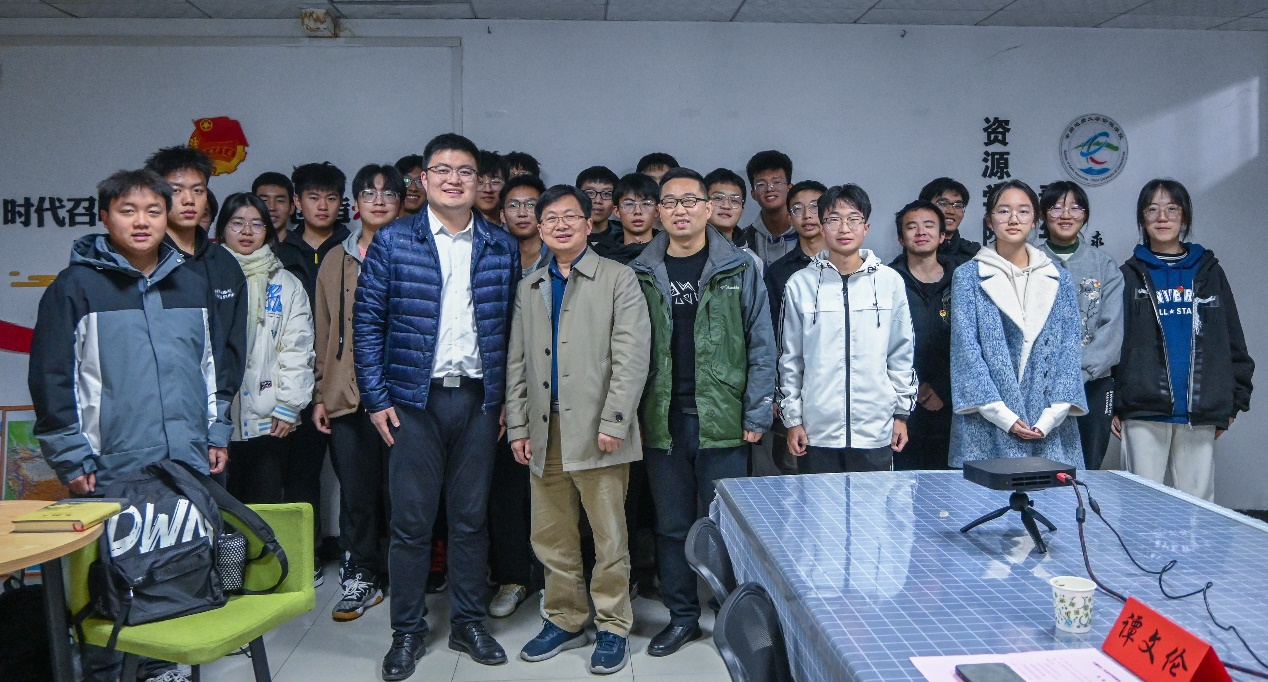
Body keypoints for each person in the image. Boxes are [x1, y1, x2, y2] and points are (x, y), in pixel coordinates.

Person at [29, 169, 232, 682]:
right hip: (108, 466)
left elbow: (210, 367)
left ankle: (165, 667)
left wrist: (215, 432)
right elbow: (52, 380)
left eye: (153, 211)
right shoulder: (74, 288)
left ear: (169, 218)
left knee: (176, 567)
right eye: (128, 211)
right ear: (104, 217)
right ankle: (106, 671)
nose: (142, 222)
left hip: (182, 461)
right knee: (107, 582)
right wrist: (71, 457)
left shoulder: (191, 282)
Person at [355, 133, 519, 678]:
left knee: (470, 519)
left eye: (465, 171)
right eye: (442, 170)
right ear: (423, 179)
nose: (454, 179)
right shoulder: (393, 241)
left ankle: (469, 623)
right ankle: (407, 631)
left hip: (477, 401)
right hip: (412, 402)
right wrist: (376, 398)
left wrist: (505, 399)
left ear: (479, 181)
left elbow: (512, 330)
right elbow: (367, 323)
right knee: (411, 523)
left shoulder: (499, 245)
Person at [630, 167, 775, 657]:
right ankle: (682, 617)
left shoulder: (740, 267)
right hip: (662, 418)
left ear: (709, 208)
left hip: (724, 418)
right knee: (671, 526)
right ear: (658, 211)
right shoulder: (641, 271)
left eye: (690, 201)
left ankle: (731, 614)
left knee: (726, 527)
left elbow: (762, 343)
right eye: (670, 202)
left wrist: (756, 415)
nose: (681, 210)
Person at [508, 184, 651, 675]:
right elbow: (517, 362)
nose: (561, 225)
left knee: (609, 536)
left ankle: (612, 625)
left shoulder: (617, 278)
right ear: (540, 228)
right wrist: (518, 426)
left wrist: (615, 420)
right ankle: (564, 618)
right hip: (543, 429)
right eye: (551, 219)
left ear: (590, 224)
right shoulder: (530, 285)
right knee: (551, 534)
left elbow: (632, 357)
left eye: (571, 216)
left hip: (598, 429)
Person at [1113, 179, 1254, 502]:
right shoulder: (1129, 275)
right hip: (1143, 410)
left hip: (1199, 411)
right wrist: (1115, 403)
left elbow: (1232, 337)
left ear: (1185, 217)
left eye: (1172, 209)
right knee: (1140, 507)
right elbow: (1116, 344)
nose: (1162, 217)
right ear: (1142, 218)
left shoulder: (1209, 272)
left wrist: (1233, 401)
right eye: (1152, 209)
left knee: (1198, 509)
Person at [313, 163, 405, 621]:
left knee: (403, 494)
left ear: (402, 201)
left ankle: (404, 574)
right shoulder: (336, 258)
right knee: (357, 492)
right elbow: (323, 329)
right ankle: (362, 573)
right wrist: (320, 393)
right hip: (346, 396)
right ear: (356, 203)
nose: (379, 201)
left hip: (404, 398)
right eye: (369, 193)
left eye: (388, 194)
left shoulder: (418, 252)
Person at [779, 184, 917, 474]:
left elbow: (901, 352)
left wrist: (901, 415)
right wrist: (793, 420)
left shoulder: (889, 282)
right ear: (822, 227)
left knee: (874, 504)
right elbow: (790, 358)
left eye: (853, 219)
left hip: (875, 428)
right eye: (833, 219)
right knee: (818, 505)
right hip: (817, 430)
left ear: (866, 227)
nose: (844, 228)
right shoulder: (800, 284)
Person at [949, 180, 1087, 469]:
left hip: (1049, 423)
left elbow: (1069, 349)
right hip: (987, 422)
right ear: (989, 220)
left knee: (1052, 495)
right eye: (1003, 211)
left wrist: (1051, 417)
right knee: (985, 493)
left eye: (1023, 211)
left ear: (1035, 220)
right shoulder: (968, 276)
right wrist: (1004, 416)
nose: (1013, 219)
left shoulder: (1058, 277)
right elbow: (966, 352)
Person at [275, 160, 350, 586]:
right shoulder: (279, 253)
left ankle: (359, 556)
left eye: (331, 197)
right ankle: (308, 554)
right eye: (313, 197)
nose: (322, 205)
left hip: (344, 378)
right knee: (301, 474)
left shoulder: (354, 246)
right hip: (294, 378)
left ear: (343, 203)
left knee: (355, 475)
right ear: (297, 202)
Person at [144, 146, 247, 442]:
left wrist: (219, 420)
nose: (189, 200)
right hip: (147, 421)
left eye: (198, 190)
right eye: (176, 190)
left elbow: (233, 350)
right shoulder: (141, 261)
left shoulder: (224, 263)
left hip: (209, 419)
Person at [219, 192, 315, 504]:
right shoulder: (207, 277)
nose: (247, 231)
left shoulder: (286, 283)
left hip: (270, 419)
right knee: (220, 512)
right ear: (222, 229)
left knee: (264, 510)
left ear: (268, 231)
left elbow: (297, 349)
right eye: (237, 223)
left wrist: (289, 405)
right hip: (216, 422)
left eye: (256, 224)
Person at [487, 172, 547, 620]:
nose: (523, 212)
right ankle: (512, 577)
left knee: (554, 490)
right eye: (514, 205)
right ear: (501, 213)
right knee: (506, 490)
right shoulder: (490, 257)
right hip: (502, 390)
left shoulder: (563, 257)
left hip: (554, 390)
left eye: (532, 204)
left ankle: (554, 580)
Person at [1035, 181, 1124, 471]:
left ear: (1085, 215)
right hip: (1039, 385)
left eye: (1075, 207)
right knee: (1038, 465)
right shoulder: (1028, 261)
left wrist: (1076, 373)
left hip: (1093, 384)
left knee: (1088, 466)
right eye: (1056, 207)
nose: (1066, 215)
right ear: (1042, 215)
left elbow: (1112, 330)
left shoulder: (1104, 265)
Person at [889, 200, 954, 470]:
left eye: (929, 225)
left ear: (942, 235)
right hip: (902, 406)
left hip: (953, 406)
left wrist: (943, 389)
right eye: (911, 227)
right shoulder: (886, 280)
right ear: (900, 238)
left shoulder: (962, 279)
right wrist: (915, 388)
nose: (921, 232)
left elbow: (972, 345)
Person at [742, 150, 796, 267]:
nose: (769, 188)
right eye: (761, 184)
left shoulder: (807, 232)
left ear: (790, 188)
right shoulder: (743, 239)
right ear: (753, 194)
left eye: (776, 182)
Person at [593, 173, 658, 265]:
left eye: (646, 204)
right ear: (617, 211)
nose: (637, 211)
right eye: (629, 204)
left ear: (657, 210)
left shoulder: (669, 249)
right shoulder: (599, 255)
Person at [704, 167, 762, 269]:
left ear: (742, 209)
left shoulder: (752, 261)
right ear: (704, 203)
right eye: (718, 198)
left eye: (734, 200)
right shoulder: (687, 250)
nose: (726, 206)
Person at [919, 177, 980, 267]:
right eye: (943, 204)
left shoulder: (974, 254)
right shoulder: (915, 249)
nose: (951, 211)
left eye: (958, 205)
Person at [578, 165, 621, 245]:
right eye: (590, 193)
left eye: (606, 194)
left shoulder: (624, 237)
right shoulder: (565, 235)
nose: (598, 200)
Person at [253, 171, 296, 243]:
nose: (271, 208)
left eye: (280, 201)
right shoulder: (241, 245)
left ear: (291, 208)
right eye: (264, 200)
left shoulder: (303, 248)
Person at [475, 150, 506, 225]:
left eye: (495, 182)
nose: (488, 189)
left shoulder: (513, 229)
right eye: (480, 182)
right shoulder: (456, 227)